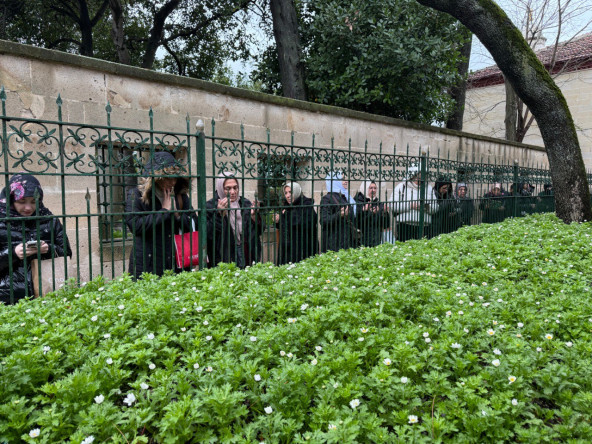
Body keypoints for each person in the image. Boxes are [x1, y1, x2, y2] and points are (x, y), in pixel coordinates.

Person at [0, 174, 72, 304]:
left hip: (47, 294)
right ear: (11, 199)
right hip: (8, 298)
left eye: (34, 202)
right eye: (22, 202)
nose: (28, 208)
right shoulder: (1, 221)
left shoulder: (49, 220)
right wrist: (13, 253)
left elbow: (67, 253)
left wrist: (48, 249)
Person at [125, 152, 197, 279]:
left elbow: (195, 223)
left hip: (176, 261)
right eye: (168, 178)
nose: (173, 182)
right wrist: (163, 211)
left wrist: (177, 215)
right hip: (148, 262)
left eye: (175, 177)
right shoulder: (136, 194)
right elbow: (134, 225)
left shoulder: (180, 195)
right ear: (157, 177)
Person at [206, 172, 263, 268]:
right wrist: (219, 215)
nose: (233, 192)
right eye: (228, 188)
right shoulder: (211, 206)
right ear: (220, 188)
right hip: (224, 254)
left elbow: (258, 231)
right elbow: (207, 235)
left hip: (246, 251)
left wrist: (254, 217)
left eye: (235, 187)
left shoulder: (245, 203)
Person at [274, 181, 318, 265]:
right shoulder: (286, 206)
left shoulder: (306, 205)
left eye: (291, 192)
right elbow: (284, 226)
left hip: (302, 248)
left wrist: (286, 215)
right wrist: (278, 221)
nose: (288, 196)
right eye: (286, 193)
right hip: (287, 249)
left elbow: (306, 223)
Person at [390, 166, 438, 242]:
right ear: (412, 176)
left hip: (424, 226)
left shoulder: (429, 189)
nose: (420, 180)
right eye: (418, 177)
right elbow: (393, 205)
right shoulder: (402, 187)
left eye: (422, 177)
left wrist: (427, 207)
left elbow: (436, 206)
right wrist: (410, 205)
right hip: (405, 225)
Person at [320, 172, 358, 252]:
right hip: (333, 244)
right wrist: (339, 215)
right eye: (342, 179)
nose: (346, 181)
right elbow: (323, 220)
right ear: (334, 181)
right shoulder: (327, 199)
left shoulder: (345, 197)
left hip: (347, 242)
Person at [354, 180, 390, 247]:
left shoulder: (377, 202)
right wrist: (368, 212)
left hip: (376, 239)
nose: (373, 190)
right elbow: (358, 223)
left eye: (375, 188)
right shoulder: (358, 202)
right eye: (370, 188)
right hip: (362, 238)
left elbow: (386, 224)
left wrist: (384, 213)